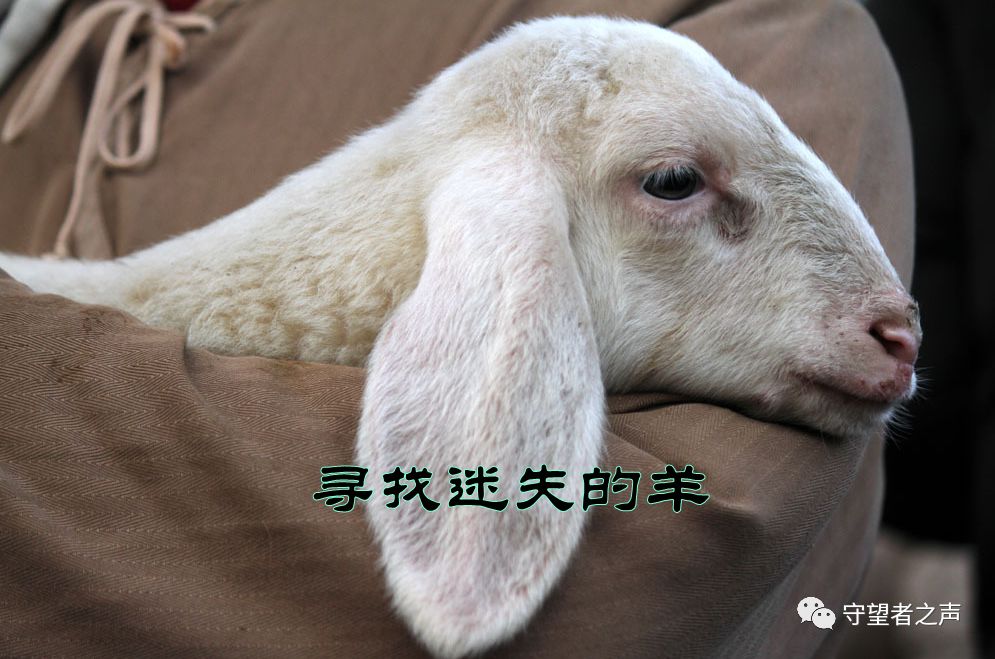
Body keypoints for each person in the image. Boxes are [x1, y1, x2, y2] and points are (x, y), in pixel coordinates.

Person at [0, 1, 913, 656]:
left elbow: (688, 532)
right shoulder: (34, 41)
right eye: (674, 182)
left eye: (671, 181)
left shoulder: (760, 22)